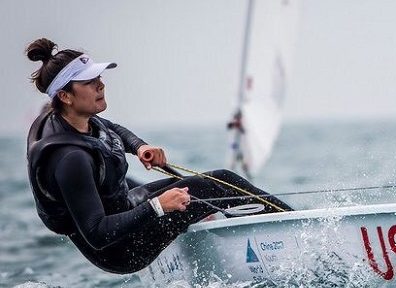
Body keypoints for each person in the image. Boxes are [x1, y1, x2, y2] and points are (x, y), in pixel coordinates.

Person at [25, 38, 292, 274]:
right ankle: (294, 232)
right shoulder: (69, 159)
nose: (101, 85)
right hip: (121, 249)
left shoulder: (75, 119)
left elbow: (111, 129)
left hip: (123, 208)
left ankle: (275, 227)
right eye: (89, 82)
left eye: (99, 77)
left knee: (217, 184)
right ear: (65, 96)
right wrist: (159, 206)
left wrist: (139, 146)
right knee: (217, 183)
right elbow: (97, 234)